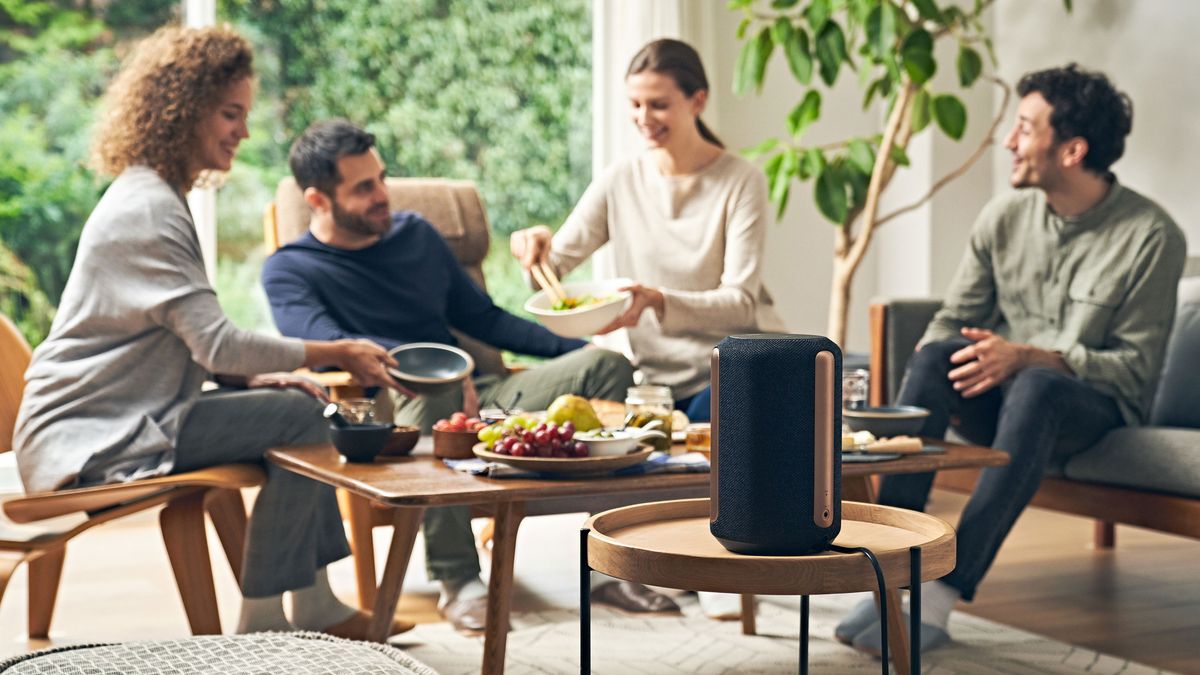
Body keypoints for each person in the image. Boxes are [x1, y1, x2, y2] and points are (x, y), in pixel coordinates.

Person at [12, 26, 410, 639]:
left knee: (299, 403)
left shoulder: (155, 195)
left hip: (122, 413)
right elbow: (217, 342)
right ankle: (266, 621)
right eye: (230, 114)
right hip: (91, 433)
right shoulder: (148, 209)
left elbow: (184, 339)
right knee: (303, 418)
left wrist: (258, 374)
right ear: (183, 110)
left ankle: (311, 601)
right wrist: (337, 352)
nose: (243, 132)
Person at [261, 119, 671, 632]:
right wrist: (442, 368)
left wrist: (579, 343)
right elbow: (325, 346)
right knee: (438, 392)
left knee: (607, 366)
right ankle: (459, 580)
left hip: (479, 391)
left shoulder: (416, 235)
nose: (382, 195)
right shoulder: (290, 269)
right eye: (363, 188)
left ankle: (604, 564)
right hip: (390, 410)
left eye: (382, 178)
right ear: (319, 199)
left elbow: (484, 318)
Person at [836, 64, 1187, 655]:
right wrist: (934, 360)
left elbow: (1133, 370)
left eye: (1024, 128)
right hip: (1001, 399)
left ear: (1072, 149)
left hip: (1086, 406)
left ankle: (943, 597)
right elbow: (953, 318)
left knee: (1038, 386)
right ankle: (884, 575)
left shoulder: (1152, 235)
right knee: (937, 355)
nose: (1008, 141)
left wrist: (1032, 356)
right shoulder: (1005, 216)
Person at [510, 38, 785, 619]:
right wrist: (532, 240)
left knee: (723, 413)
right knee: (599, 413)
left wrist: (658, 299)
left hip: (729, 359)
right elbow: (554, 265)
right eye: (635, 105)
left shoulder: (741, 180)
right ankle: (636, 563)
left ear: (697, 100)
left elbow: (740, 300)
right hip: (651, 373)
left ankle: (720, 569)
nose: (644, 119)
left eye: (658, 104)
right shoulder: (621, 179)